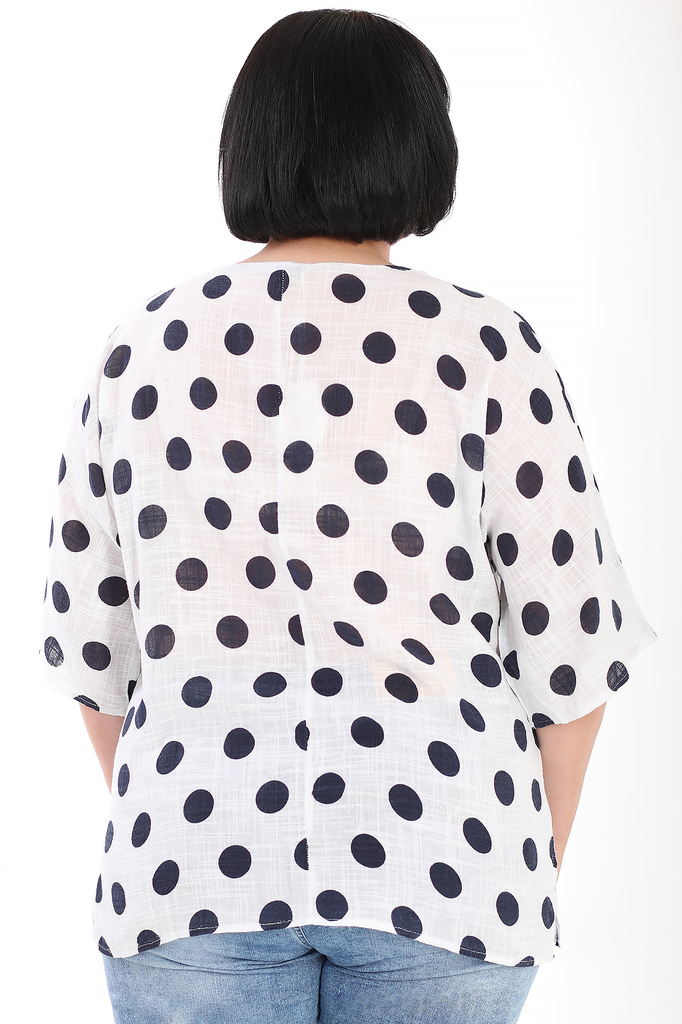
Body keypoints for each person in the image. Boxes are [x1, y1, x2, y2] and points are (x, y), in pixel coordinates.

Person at [37, 9, 657, 1024]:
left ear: (250, 142)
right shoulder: (485, 346)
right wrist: (527, 858)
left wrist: (188, 815)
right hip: (450, 860)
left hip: (185, 868)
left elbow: (91, 652)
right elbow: (574, 651)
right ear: (417, 142)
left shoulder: (140, 351)